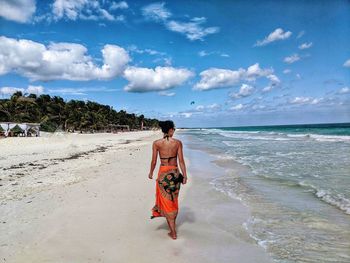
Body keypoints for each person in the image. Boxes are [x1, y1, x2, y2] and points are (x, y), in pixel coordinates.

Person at [148, 120, 187, 240]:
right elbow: (181, 161)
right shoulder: (178, 143)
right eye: (173, 129)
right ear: (170, 130)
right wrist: (184, 175)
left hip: (163, 172)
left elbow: (154, 161)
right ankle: (172, 227)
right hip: (175, 173)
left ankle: (173, 232)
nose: (174, 131)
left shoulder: (156, 143)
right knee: (173, 199)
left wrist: (151, 172)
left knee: (166, 200)